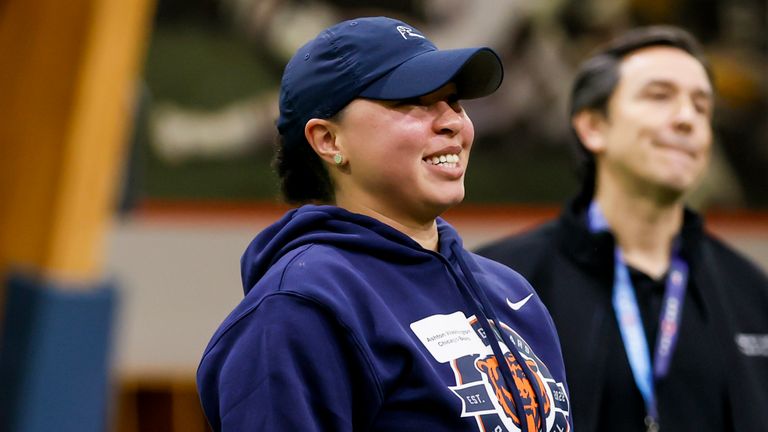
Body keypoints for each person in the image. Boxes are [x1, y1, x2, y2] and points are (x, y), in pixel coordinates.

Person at [196, 16, 573, 432]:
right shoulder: (298, 308)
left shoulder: (512, 294)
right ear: (329, 140)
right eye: (412, 101)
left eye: (454, 101)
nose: (452, 122)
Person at [477, 26, 768, 432]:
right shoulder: (499, 284)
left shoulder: (753, 293)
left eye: (702, 106)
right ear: (592, 127)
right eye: (659, 96)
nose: (687, 118)